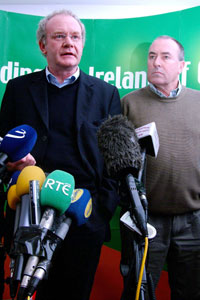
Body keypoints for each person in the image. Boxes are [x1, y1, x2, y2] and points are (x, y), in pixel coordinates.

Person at [0, 9, 121, 300]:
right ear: (43, 46)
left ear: (82, 44)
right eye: (59, 36)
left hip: (82, 218)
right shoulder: (18, 90)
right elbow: (2, 150)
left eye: (75, 36)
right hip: (28, 213)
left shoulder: (106, 93)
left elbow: (115, 162)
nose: (69, 43)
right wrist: (12, 164)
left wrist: (100, 214)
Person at [121, 35, 200, 300]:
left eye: (165, 56)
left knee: (190, 291)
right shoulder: (129, 104)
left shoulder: (198, 103)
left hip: (194, 221)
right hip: (145, 221)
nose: (156, 62)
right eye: (152, 56)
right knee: (139, 292)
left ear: (182, 65)